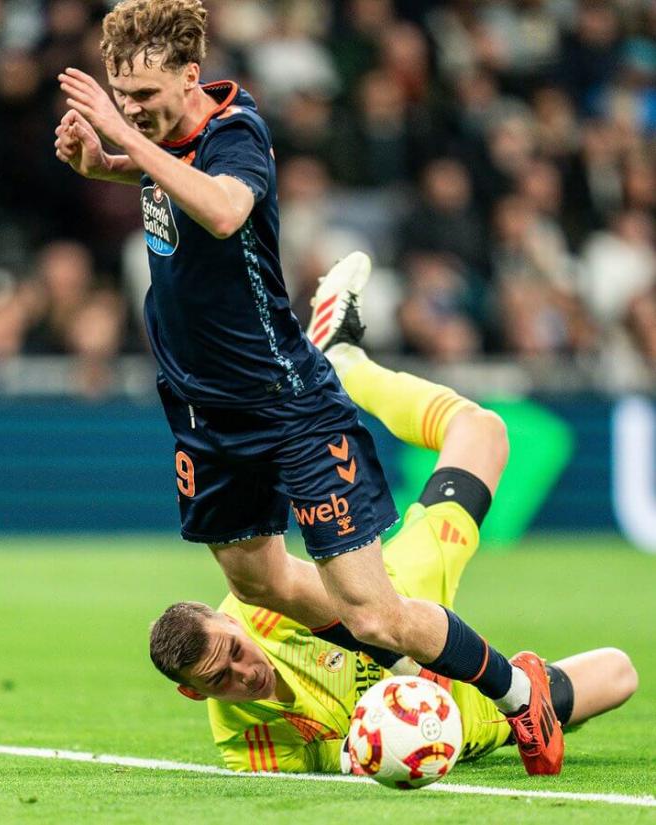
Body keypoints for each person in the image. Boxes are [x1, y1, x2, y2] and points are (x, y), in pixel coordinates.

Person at [54, 0, 563, 774]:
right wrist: (108, 164)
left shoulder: (236, 133)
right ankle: (396, 657)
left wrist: (123, 140)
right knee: (257, 577)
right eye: (122, 99)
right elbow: (171, 187)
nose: (133, 111)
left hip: (285, 406)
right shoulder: (161, 138)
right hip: (202, 414)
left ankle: (515, 690)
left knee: (374, 611)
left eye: (147, 99)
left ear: (191, 77)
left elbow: (223, 210)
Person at [148, 341, 638, 772]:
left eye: (234, 651)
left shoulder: (264, 607)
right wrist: (376, 750)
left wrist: (415, 671)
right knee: (619, 675)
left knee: (483, 430)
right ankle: (520, 697)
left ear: (230, 625)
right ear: (194, 692)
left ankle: (347, 363)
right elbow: (321, 763)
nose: (245, 672)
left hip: (407, 593)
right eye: (219, 679)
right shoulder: (244, 741)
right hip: (465, 722)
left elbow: (368, 615)